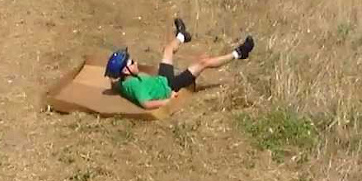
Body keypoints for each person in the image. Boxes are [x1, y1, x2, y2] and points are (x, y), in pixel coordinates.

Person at [105, 18, 255, 110]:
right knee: (203, 62)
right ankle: (239, 53)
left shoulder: (124, 82)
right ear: (125, 71)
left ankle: (182, 35)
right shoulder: (135, 87)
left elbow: (114, 82)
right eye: (131, 62)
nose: (135, 62)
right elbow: (146, 104)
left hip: (161, 79)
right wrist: (169, 99)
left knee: (168, 49)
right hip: (170, 85)